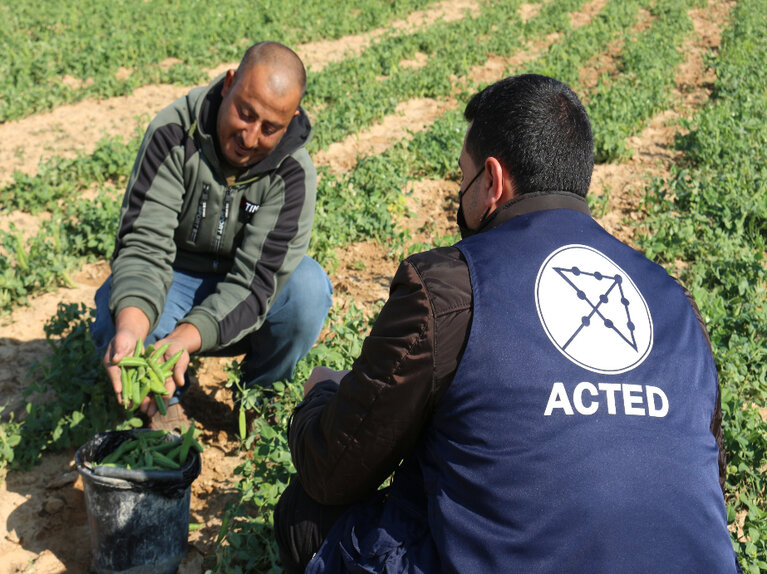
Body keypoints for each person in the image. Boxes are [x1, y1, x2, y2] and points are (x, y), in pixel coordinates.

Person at [273, 74, 740, 573]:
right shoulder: (675, 300)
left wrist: (322, 395)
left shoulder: (448, 286)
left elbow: (335, 469)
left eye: (462, 177)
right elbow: (709, 475)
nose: (458, 193)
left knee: (307, 512)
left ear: (492, 181)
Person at [91, 41, 332, 430]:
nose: (250, 137)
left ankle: (258, 399)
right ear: (229, 84)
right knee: (115, 311)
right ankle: (160, 403)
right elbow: (143, 245)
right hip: (173, 279)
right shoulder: (174, 133)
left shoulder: (292, 174)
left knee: (307, 290)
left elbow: (256, 285)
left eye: (270, 128)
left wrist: (184, 338)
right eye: (245, 113)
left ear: (291, 122)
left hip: (243, 291)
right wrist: (133, 329)